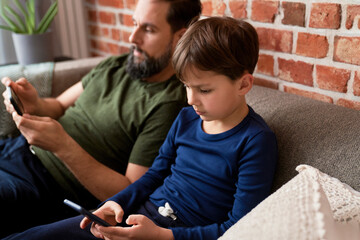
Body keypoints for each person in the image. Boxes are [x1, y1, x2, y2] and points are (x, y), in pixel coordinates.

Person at [3, 16, 278, 240]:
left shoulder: (255, 141)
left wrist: (161, 236)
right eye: (186, 87)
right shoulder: (186, 119)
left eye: (204, 89)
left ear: (243, 84)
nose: (191, 99)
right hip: (139, 216)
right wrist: (116, 203)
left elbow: (240, 227)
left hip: (173, 234)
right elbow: (153, 176)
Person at [0, 0, 202, 237]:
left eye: (148, 29)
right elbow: (58, 106)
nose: (132, 37)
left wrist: (63, 146)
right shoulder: (115, 65)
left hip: (44, 184)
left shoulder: (169, 105)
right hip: (13, 150)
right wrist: (34, 102)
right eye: (135, 24)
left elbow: (131, 189)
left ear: (180, 37)